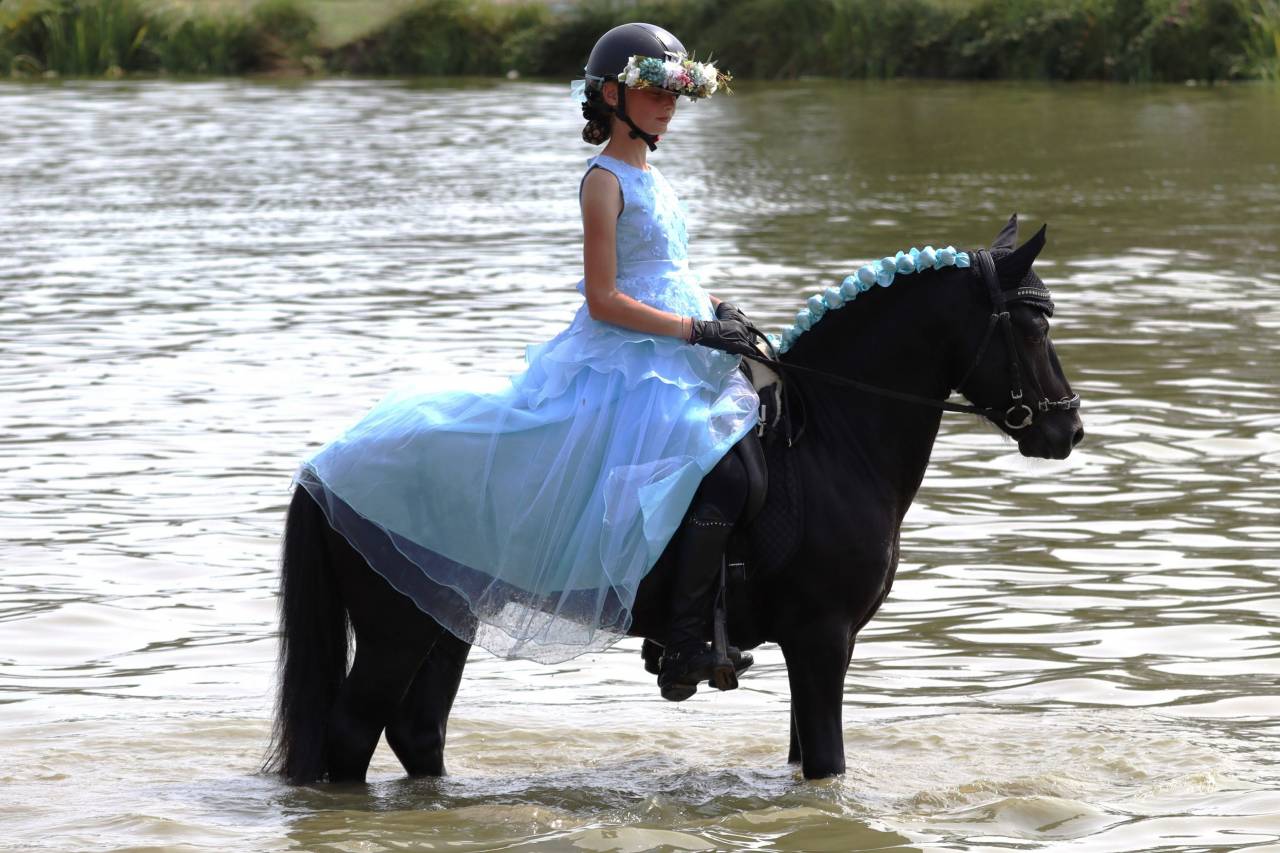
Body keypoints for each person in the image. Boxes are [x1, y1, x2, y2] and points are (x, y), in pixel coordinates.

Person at [292, 22, 762, 701]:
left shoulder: (653, 176)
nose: (668, 106)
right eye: (655, 91)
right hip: (631, 358)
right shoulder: (603, 181)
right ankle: (683, 637)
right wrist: (695, 329)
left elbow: (665, 270)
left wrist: (721, 308)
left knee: (744, 452)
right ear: (611, 95)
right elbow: (605, 299)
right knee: (705, 456)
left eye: (675, 94)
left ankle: (688, 618)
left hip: (680, 347)